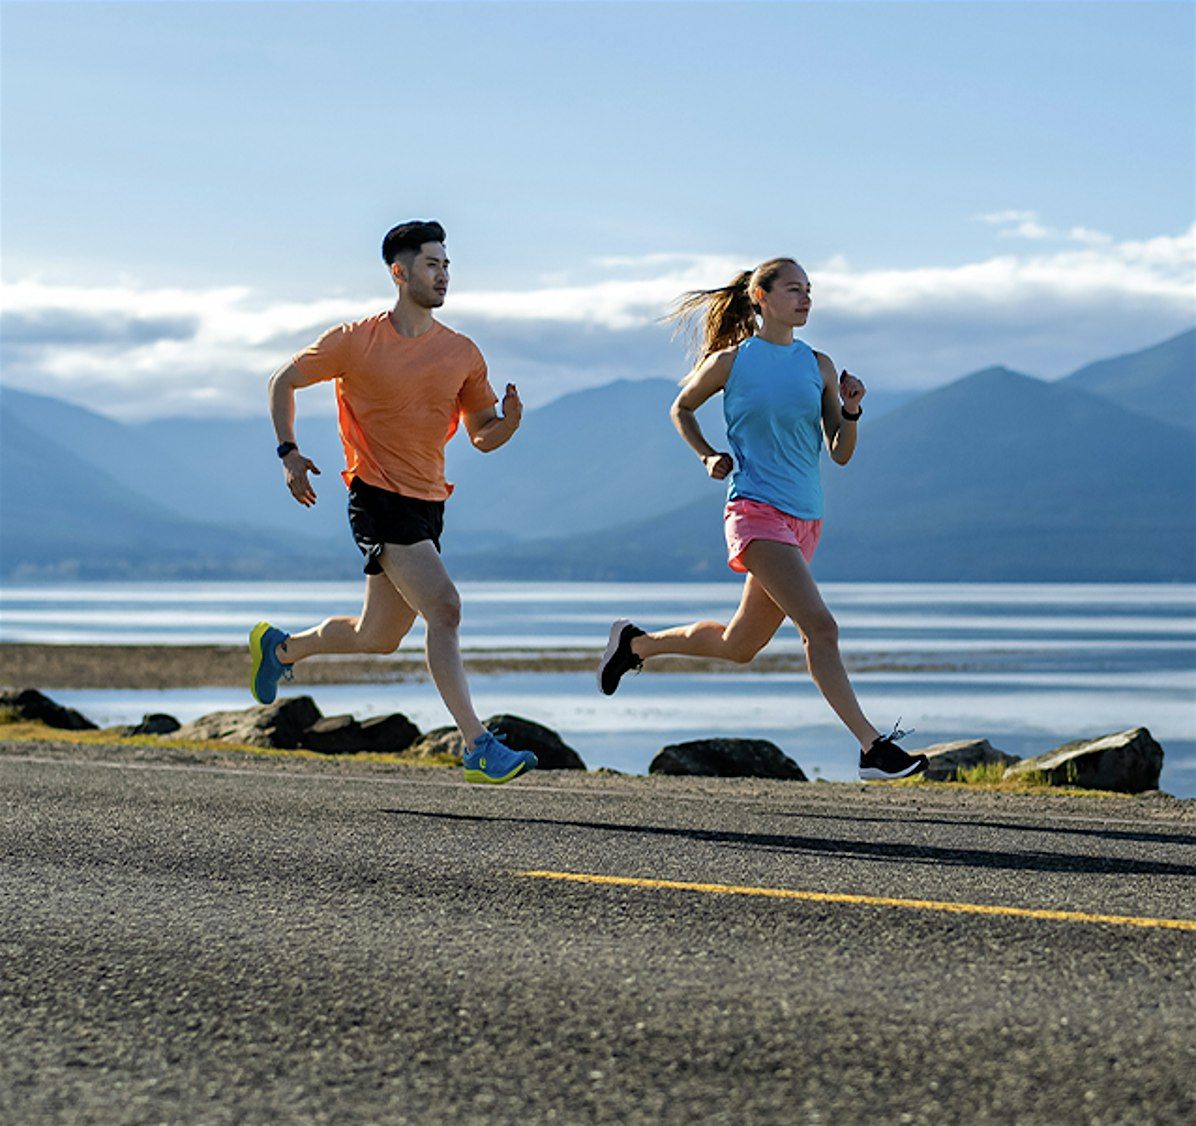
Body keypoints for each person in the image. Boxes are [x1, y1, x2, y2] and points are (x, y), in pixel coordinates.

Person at [597, 258, 927, 781]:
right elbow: (681, 408)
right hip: (754, 510)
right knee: (820, 626)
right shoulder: (733, 361)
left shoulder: (818, 365)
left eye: (809, 291)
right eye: (794, 289)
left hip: (806, 520)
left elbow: (839, 452)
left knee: (739, 646)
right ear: (761, 296)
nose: (806, 298)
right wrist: (707, 454)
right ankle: (871, 747)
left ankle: (633, 643)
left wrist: (852, 408)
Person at [249, 219, 537, 785]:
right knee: (446, 607)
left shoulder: (461, 352)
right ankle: (477, 745)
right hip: (376, 496)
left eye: (447, 265)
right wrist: (289, 453)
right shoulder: (355, 341)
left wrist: (509, 425)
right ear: (399, 272)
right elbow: (282, 381)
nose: (444, 275)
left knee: (376, 637)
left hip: (430, 502)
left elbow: (481, 434)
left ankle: (281, 651)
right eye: (432, 264)